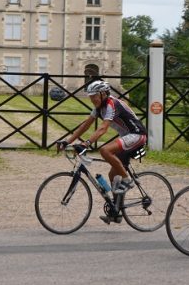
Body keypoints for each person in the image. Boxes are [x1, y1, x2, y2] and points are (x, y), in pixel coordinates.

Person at [57, 80, 147, 223]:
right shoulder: (99, 107)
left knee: (104, 150)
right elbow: (85, 125)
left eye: (95, 96)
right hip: (126, 137)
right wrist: (67, 141)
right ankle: (116, 212)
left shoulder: (112, 104)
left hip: (137, 135)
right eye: (91, 97)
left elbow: (103, 128)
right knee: (112, 174)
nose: (92, 100)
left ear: (104, 94)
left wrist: (86, 143)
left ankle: (127, 180)